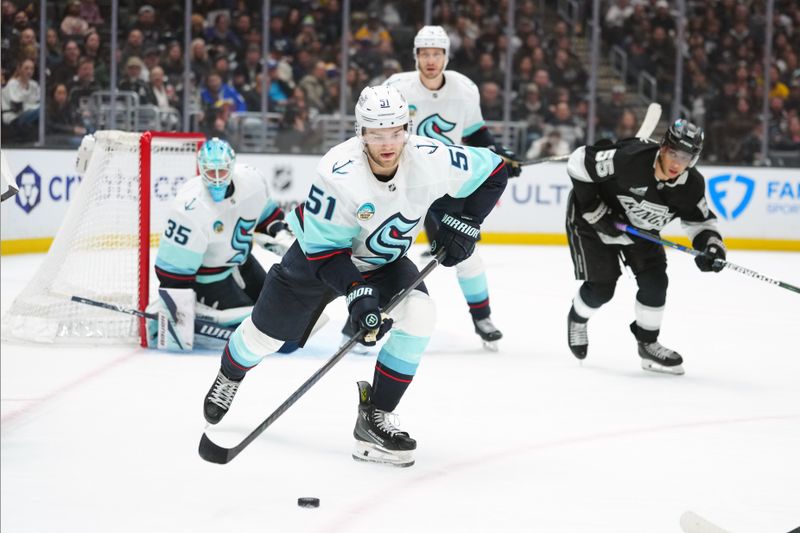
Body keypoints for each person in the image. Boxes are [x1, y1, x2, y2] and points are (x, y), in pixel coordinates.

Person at [201, 85, 509, 467]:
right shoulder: (338, 171)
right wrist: (356, 293)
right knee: (262, 337)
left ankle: (374, 417)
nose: (388, 143)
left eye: (396, 131)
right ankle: (230, 375)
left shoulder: (431, 156)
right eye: (377, 133)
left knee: (420, 314)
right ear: (361, 132)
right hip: (318, 258)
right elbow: (327, 253)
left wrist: (466, 223)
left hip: (384, 261)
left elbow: (495, 170)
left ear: (407, 128)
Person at [383, 25, 521, 351]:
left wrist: (499, 155)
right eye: (425, 54)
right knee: (386, 253)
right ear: (415, 56)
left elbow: (476, 134)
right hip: (403, 184)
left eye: (437, 53)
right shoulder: (396, 88)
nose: (431, 60)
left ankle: (482, 317)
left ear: (446, 56)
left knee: (467, 254)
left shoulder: (464, 89)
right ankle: (360, 322)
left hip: (445, 183)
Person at [565, 119, 725, 375]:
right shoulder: (629, 159)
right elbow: (578, 161)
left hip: (639, 229)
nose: (676, 163)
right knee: (602, 289)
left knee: (656, 282)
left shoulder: (691, 186)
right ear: (663, 147)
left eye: (685, 157)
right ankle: (578, 317)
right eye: (673, 153)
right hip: (594, 221)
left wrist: (712, 246)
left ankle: (648, 344)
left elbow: (700, 223)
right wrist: (592, 208)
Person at [153, 138, 294, 341]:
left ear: (232, 166)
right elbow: (171, 273)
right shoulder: (190, 208)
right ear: (201, 169)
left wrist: (279, 234)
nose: (217, 179)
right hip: (210, 279)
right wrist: (179, 310)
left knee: (285, 313)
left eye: (222, 171)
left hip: (242, 264)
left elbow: (268, 217)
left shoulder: (252, 181)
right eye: (211, 172)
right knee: (268, 332)